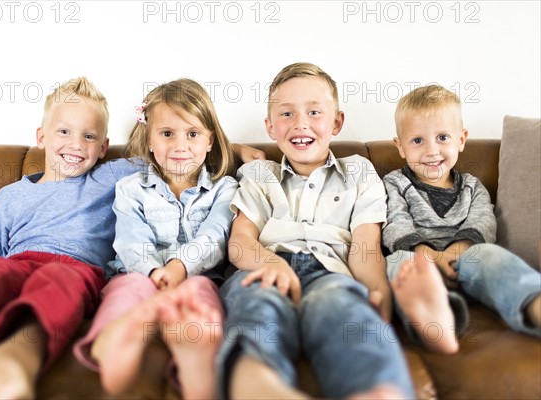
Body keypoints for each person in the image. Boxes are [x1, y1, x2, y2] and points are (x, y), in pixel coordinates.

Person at [0, 77, 262, 400]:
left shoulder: (112, 176)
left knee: (57, 280)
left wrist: (234, 149)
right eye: (64, 132)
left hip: (76, 269)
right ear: (41, 136)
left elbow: (178, 154)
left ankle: (17, 359)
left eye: (89, 136)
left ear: (103, 147)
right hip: (16, 263)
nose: (77, 145)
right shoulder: (8, 198)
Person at [215, 62, 414, 399]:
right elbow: (240, 242)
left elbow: (365, 244)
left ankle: (377, 389)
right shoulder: (259, 174)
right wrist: (271, 265)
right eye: (287, 114)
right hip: (266, 268)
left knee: (346, 311)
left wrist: (377, 288)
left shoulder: (359, 171)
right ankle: (259, 385)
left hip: (331, 272)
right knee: (257, 308)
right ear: (270, 127)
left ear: (337, 122)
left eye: (314, 112)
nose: (300, 123)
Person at [73, 78, 238, 400]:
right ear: (149, 139)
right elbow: (131, 239)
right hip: (137, 272)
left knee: (200, 293)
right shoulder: (131, 188)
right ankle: (116, 337)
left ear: (210, 142)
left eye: (192, 134)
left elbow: (215, 236)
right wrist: (152, 272)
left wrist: (178, 267)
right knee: (128, 289)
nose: (180, 146)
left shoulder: (225, 188)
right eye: (166, 134)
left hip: (197, 274)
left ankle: (195, 349)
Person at [383, 84, 541, 355]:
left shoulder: (472, 186)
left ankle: (534, 303)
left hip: (466, 258)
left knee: (491, 255)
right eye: (418, 141)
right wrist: (428, 256)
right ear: (400, 146)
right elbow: (394, 223)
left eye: (442, 137)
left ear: (462, 139)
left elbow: (483, 222)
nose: (432, 151)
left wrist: (456, 252)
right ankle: (434, 319)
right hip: (419, 262)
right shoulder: (394, 183)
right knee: (396, 262)